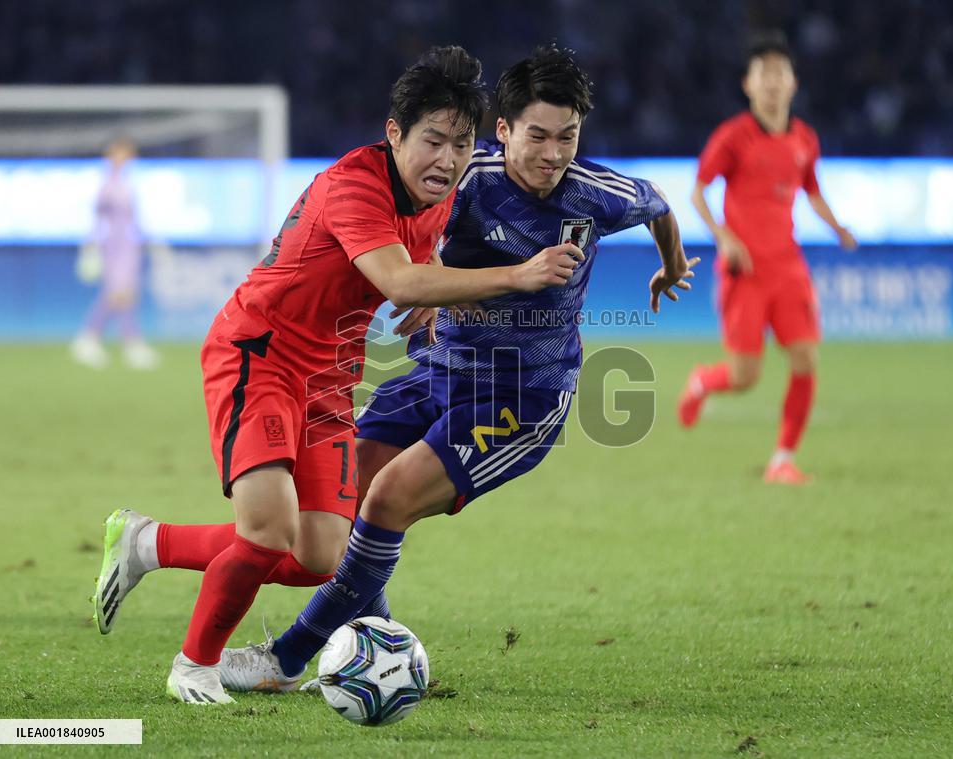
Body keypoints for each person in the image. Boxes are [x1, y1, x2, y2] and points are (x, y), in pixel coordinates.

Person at [91, 46, 584, 705]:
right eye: (432, 140)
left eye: (461, 144)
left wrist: (431, 305)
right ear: (394, 134)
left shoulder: (436, 194)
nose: (447, 159)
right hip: (258, 353)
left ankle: (147, 543)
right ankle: (194, 665)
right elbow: (397, 277)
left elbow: (416, 269)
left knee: (322, 552)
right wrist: (515, 276)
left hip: (327, 378)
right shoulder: (354, 184)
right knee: (267, 529)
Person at [211, 44, 696, 693]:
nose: (553, 154)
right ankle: (380, 643)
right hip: (441, 370)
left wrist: (672, 264)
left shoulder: (596, 193)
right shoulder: (467, 175)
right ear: (504, 130)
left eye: (568, 137)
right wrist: (434, 288)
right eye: (537, 136)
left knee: (386, 499)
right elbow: (419, 229)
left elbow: (657, 201)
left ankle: (290, 655)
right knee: (348, 493)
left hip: (522, 398)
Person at [677, 32, 857, 484]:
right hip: (745, 270)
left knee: (806, 360)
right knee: (744, 377)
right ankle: (702, 381)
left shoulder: (804, 139)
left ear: (794, 83)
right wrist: (724, 237)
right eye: (765, 74)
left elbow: (812, 190)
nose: (773, 82)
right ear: (748, 84)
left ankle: (782, 459)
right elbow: (698, 193)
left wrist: (836, 228)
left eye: (781, 73)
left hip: (788, 267)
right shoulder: (733, 137)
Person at [71, 138, 160, 370]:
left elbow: (134, 218)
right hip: (113, 244)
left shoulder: (126, 182)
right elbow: (98, 216)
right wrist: (91, 244)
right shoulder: (108, 184)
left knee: (123, 294)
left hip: (128, 244)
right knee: (118, 293)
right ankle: (123, 342)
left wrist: (147, 239)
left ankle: (94, 339)